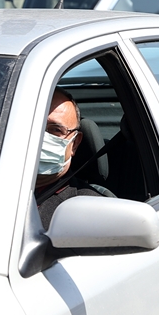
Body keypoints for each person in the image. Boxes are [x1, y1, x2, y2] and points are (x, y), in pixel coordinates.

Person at [35, 88, 116, 229]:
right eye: (33, 126)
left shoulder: (94, 209)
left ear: (75, 144)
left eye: (56, 130)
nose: (41, 136)